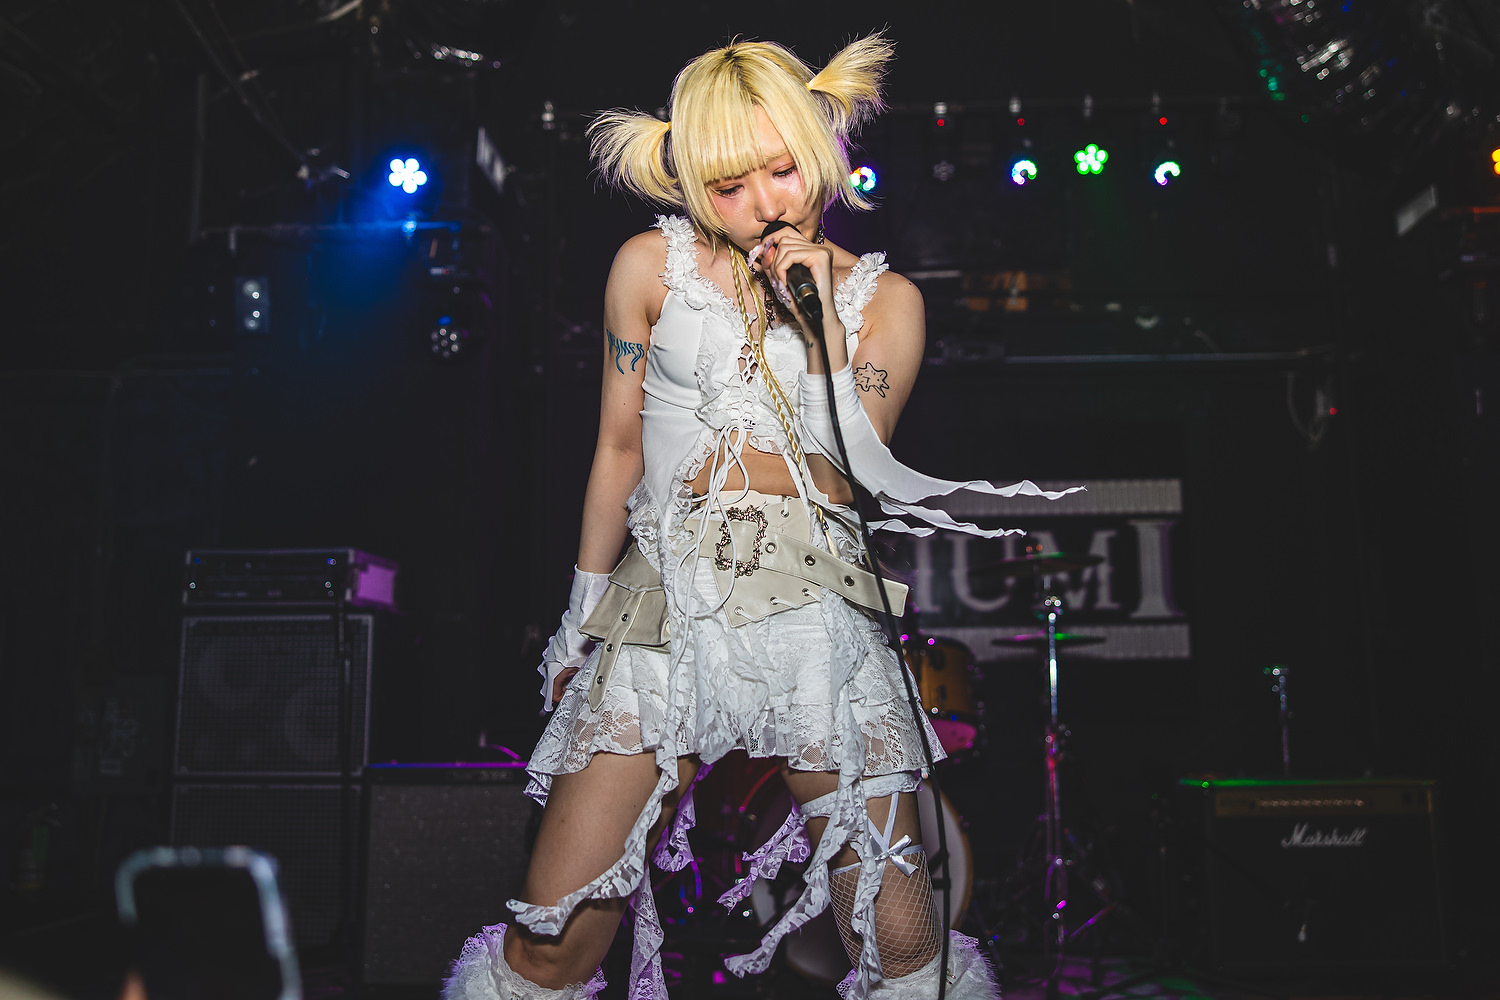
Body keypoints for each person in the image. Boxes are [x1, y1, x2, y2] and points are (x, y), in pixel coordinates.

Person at [443, 32, 1078, 1000]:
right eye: (729, 185)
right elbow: (618, 448)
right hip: (662, 605)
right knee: (550, 944)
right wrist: (581, 608)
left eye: (782, 170)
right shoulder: (648, 267)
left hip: (813, 609)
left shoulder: (885, 301)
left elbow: (846, 474)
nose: (765, 203)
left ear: (821, 154)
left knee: (904, 952)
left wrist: (820, 328)